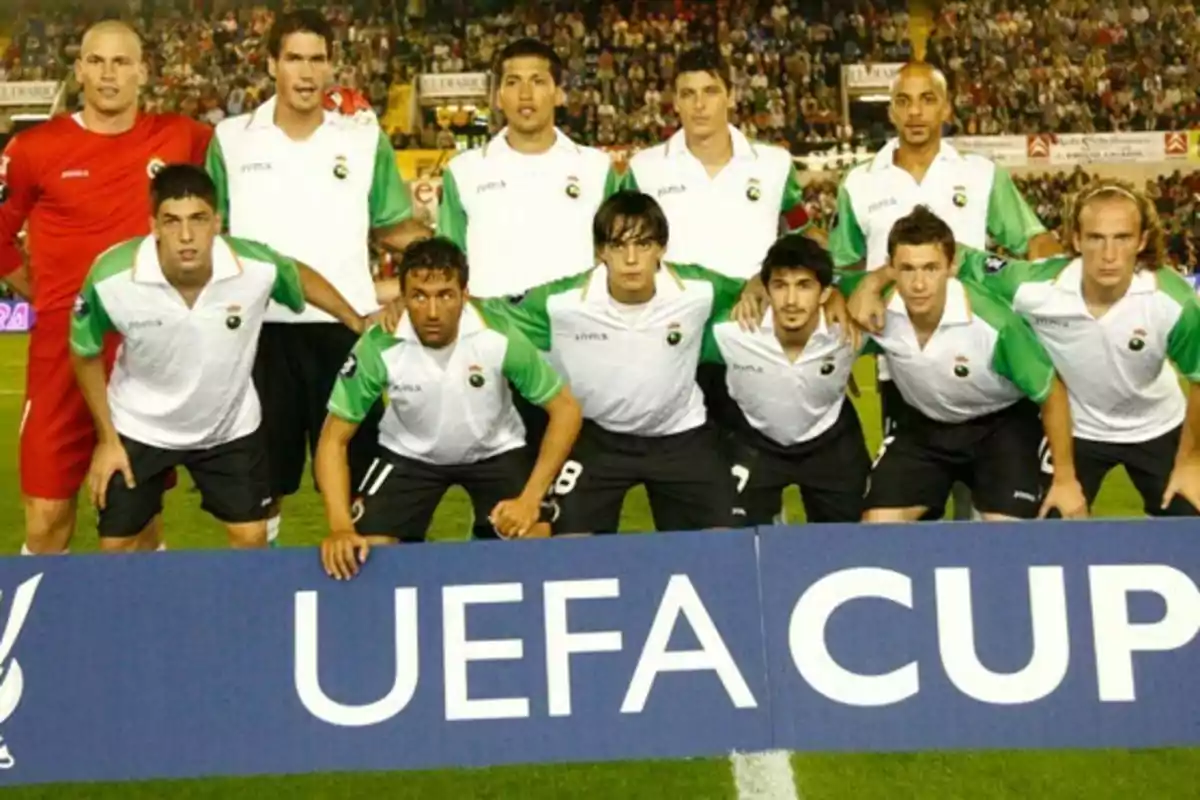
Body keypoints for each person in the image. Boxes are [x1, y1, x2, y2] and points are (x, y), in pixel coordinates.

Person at [205, 9, 428, 545]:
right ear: (271, 65)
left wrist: (444, 255)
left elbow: (393, 225)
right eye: (294, 59)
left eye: (318, 60)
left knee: (362, 486)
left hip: (345, 332)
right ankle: (263, 601)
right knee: (261, 496)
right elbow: (211, 233)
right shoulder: (232, 139)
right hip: (259, 332)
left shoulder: (360, 138)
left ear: (332, 67)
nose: (307, 73)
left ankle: (368, 608)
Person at [69, 165, 372, 550]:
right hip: (138, 428)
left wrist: (353, 319)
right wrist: (107, 439)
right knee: (117, 548)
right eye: (171, 221)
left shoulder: (254, 266)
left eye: (197, 220)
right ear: (154, 226)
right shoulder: (111, 278)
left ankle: (244, 612)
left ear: (217, 222)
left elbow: (297, 274)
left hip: (228, 429)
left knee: (251, 541)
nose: (185, 236)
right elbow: (84, 352)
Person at [0, 20, 213, 555]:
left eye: (121, 62)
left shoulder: (182, 136)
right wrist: (44, 294)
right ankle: (40, 634)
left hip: (144, 356)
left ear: (143, 72)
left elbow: (259, 148)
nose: (108, 74)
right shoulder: (34, 148)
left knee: (136, 522)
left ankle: (143, 635)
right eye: (96, 61)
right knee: (47, 518)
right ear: (78, 71)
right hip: (60, 357)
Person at [828, 62, 1060, 520]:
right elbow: (842, 265)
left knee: (984, 514)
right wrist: (849, 291)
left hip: (982, 359)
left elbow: (1033, 241)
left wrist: (1045, 289)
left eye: (927, 99)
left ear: (947, 108)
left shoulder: (980, 174)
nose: (915, 112)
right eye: (903, 101)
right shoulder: (859, 181)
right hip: (905, 366)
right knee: (918, 507)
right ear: (890, 111)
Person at [316, 239, 583, 580]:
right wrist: (340, 527)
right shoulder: (378, 345)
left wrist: (530, 499)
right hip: (408, 454)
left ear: (464, 295)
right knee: (367, 551)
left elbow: (566, 409)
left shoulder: (498, 335)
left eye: (445, 295)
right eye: (419, 296)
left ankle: (485, 537)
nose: (431, 311)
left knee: (533, 540)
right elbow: (332, 440)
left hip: (495, 450)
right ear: (402, 297)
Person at [945, 181, 1199, 515]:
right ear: (1077, 240)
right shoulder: (1035, 288)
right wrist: (875, 282)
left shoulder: (1172, 301)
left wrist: (1191, 462)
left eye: (1122, 238)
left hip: (1158, 426)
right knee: (1049, 535)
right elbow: (951, 253)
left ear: (1142, 241)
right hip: (1076, 432)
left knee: (1190, 528)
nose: (1108, 255)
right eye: (1095, 238)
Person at [501, 191, 744, 535]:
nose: (631, 259)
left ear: (661, 248)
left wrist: (759, 289)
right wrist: (395, 300)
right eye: (618, 245)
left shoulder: (699, 289)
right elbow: (491, 316)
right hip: (601, 437)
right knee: (567, 543)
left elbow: (759, 288)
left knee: (723, 544)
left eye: (643, 245)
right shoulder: (562, 302)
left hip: (682, 435)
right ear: (601, 252)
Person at [837, 206, 1086, 523]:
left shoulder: (994, 325)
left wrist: (1065, 478)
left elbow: (1051, 392)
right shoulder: (878, 305)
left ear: (951, 267)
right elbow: (817, 281)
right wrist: (847, 293)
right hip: (923, 427)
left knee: (1009, 533)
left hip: (1000, 427)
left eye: (930, 268)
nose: (918, 284)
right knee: (877, 526)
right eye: (908, 269)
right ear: (891, 269)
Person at [437, 38, 626, 300]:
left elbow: (620, 257)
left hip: (578, 331)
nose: (525, 94)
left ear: (559, 94)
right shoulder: (463, 172)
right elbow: (447, 264)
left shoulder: (597, 168)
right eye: (513, 82)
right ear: (498, 97)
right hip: (493, 331)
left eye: (537, 81)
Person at [703, 236, 870, 524]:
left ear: (824, 293)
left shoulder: (852, 329)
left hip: (830, 442)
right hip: (754, 440)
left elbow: (896, 280)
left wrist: (859, 289)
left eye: (804, 285)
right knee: (731, 539)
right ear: (765, 289)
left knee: (851, 544)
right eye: (780, 286)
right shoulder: (730, 331)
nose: (791, 301)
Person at [625, 48, 809, 281]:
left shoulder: (775, 164)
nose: (699, 104)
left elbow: (802, 234)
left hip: (755, 312)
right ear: (676, 102)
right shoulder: (643, 169)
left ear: (731, 97)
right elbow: (618, 247)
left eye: (710, 92)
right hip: (674, 314)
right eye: (688, 94)